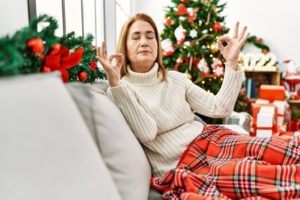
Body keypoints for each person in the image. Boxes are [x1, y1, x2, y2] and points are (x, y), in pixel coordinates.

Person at [97, 13, 300, 199]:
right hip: (186, 164)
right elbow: (147, 132)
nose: (144, 42)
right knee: (257, 174)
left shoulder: (175, 79)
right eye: (136, 37)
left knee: (279, 148)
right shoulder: (119, 90)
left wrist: (231, 63)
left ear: (157, 44)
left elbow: (220, 108)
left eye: (150, 36)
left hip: (212, 140)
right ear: (124, 46)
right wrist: (116, 83)